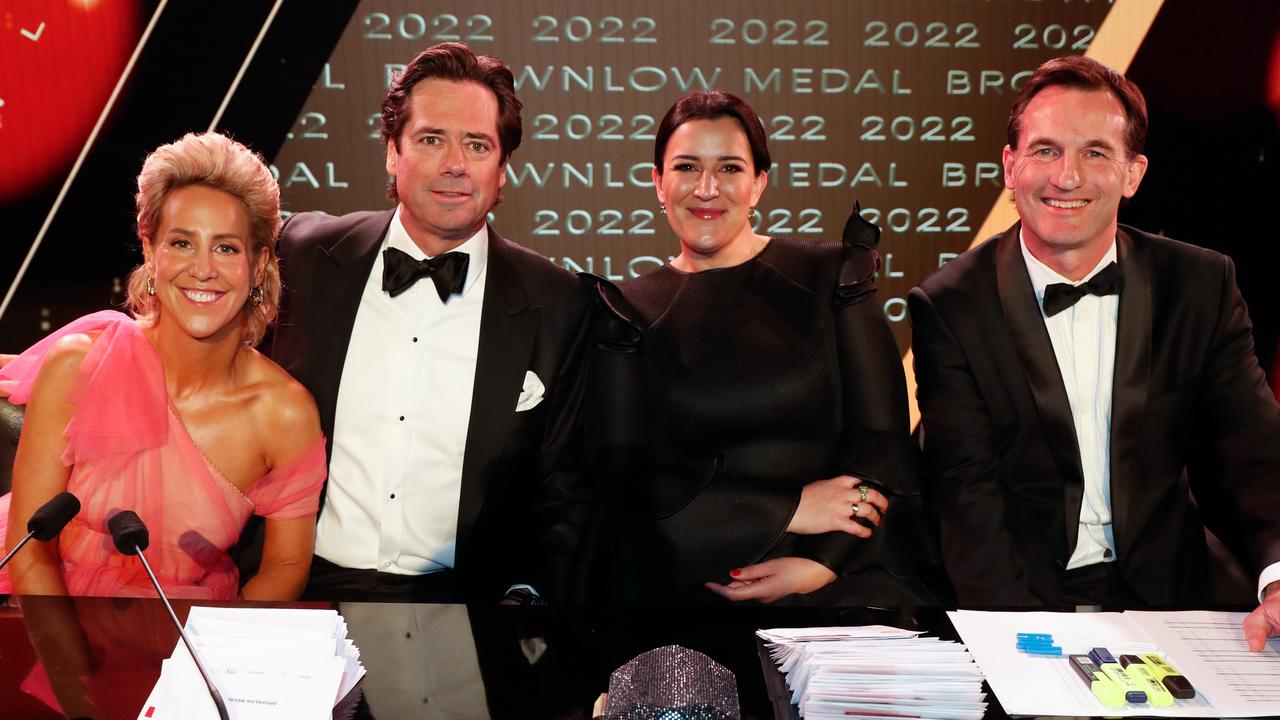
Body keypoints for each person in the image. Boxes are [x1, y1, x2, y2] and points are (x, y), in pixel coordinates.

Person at [909, 56, 1280, 648]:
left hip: (1170, 603)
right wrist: (1026, 645)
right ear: (1010, 166)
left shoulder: (1200, 285)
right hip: (1018, 601)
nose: (1066, 177)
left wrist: (1277, 575)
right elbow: (966, 496)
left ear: (1134, 174)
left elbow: (1253, 450)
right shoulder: (950, 305)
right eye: (1046, 151)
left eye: (1095, 153)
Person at [584, 90, 946, 605]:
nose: (707, 188)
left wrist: (821, 565)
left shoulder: (830, 277)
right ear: (658, 183)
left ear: (758, 184)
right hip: (689, 584)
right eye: (687, 167)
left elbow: (881, 442)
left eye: (729, 168)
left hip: (844, 581)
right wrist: (787, 508)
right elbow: (627, 484)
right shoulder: (624, 313)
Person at [270, 42, 591, 603]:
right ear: (393, 152)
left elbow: (566, 488)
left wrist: (526, 603)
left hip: (467, 605)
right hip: (302, 589)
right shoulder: (301, 254)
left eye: (477, 144)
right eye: (431, 139)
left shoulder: (559, 302)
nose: (455, 165)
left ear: (503, 168)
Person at [0, 132, 325, 600]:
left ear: (259, 264)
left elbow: (287, 564)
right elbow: (30, 553)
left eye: (226, 248)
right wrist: (72, 672)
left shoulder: (285, 414)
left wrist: (217, 662)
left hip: (191, 635)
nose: (203, 269)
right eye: (181, 243)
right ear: (151, 253)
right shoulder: (79, 367)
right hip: (54, 619)